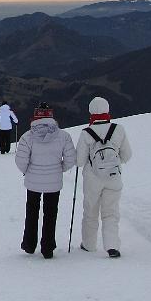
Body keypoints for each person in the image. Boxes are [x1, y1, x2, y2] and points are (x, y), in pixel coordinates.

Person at [15, 102, 76, 259]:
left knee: (32, 211)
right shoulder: (63, 136)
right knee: (51, 213)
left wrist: (27, 171)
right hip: (54, 181)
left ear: (35, 117)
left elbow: (20, 160)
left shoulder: (27, 136)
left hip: (33, 181)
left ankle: (29, 244)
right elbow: (70, 159)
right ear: (51, 116)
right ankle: (47, 247)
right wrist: (59, 168)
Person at [76, 96, 132, 258]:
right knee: (111, 212)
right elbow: (127, 155)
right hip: (113, 177)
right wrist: (112, 163)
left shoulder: (86, 133)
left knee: (90, 211)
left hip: (92, 178)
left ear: (91, 112)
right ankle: (112, 246)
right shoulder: (118, 129)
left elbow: (79, 161)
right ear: (107, 110)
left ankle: (89, 244)